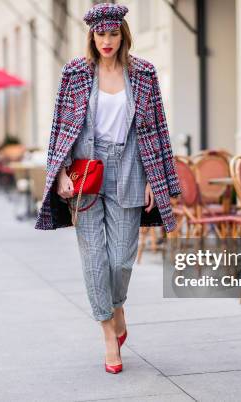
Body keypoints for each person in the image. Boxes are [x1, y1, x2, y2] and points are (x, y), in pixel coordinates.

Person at [34, 3, 181, 374]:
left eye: (113, 33)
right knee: (95, 260)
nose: (107, 41)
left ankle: (117, 308)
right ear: (91, 36)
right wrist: (62, 171)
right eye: (101, 34)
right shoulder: (76, 73)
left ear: (123, 35)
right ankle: (108, 336)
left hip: (131, 166)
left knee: (120, 259)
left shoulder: (144, 73)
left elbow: (158, 129)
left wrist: (155, 179)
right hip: (86, 169)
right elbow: (60, 125)